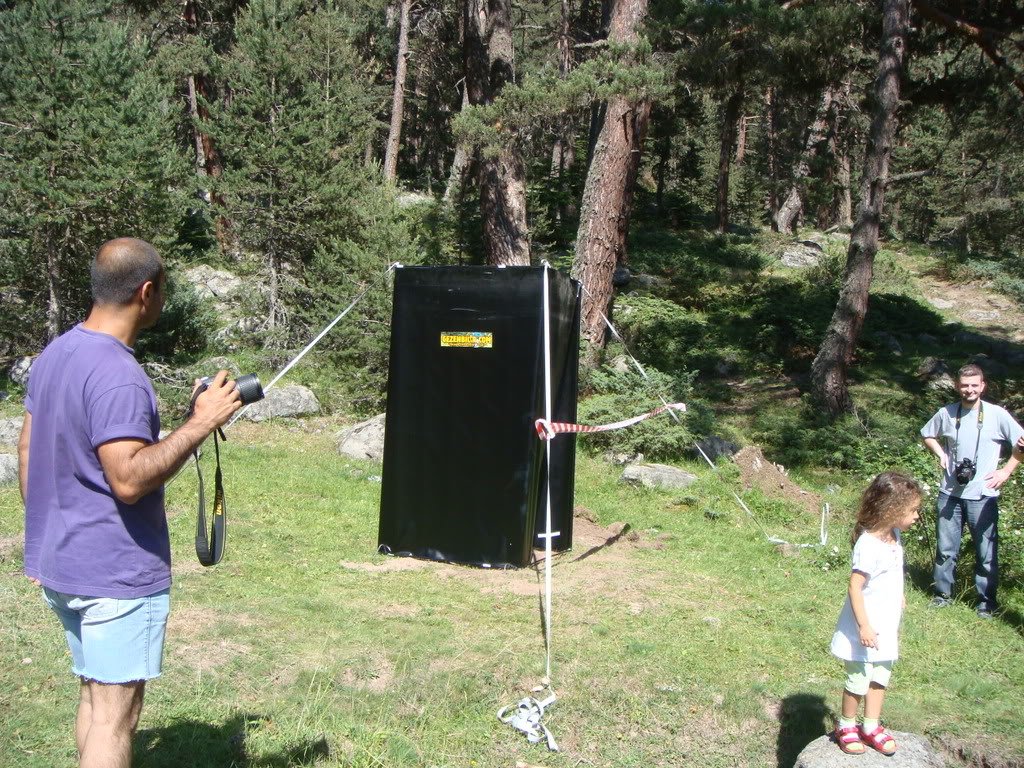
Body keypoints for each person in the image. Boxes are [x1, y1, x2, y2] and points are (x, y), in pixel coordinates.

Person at [16, 238, 242, 768]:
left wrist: (45, 538)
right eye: (162, 289)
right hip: (112, 575)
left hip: (63, 563)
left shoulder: (56, 353)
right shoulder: (119, 374)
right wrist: (201, 423)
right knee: (115, 718)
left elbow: (27, 449)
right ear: (146, 292)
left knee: (95, 699)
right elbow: (128, 479)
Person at [920, 363, 1024, 618]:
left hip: (983, 495)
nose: (969, 390)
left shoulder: (997, 414)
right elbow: (927, 434)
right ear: (957, 386)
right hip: (950, 492)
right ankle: (942, 595)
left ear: (982, 386)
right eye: (965, 385)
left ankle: (986, 603)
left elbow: (1021, 444)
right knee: (946, 549)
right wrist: (941, 453)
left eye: (974, 385)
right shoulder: (947, 413)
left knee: (986, 552)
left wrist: (1005, 471)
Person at [830, 472, 922, 756]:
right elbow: (855, 587)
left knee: (880, 676)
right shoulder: (868, 545)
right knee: (858, 679)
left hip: (885, 626)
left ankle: (870, 725)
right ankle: (847, 725)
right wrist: (864, 626)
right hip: (864, 628)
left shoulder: (894, 536)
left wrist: (899, 594)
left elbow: (891, 573)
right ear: (892, 509)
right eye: (913, 510)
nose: (917, 516)